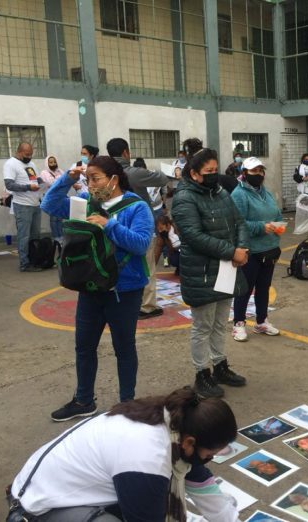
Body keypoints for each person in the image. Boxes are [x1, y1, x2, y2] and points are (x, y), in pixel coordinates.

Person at [8, 387, 240, 521]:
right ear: (190, 442)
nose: (208, 460)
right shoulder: (148, 458)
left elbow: (198, 478)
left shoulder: (176, 421)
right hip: (37, 510)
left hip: (56, 490)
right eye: (210, 454)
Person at [41, 156, 154, 421]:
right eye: (87, 179)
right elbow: (49, 204)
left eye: (96, 178)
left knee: (124, 347)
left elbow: (140, 244)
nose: (90, 185)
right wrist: (68, 179)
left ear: (114, 179)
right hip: (90, 286)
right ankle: (83, 400)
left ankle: (128, 403)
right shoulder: (86, 204)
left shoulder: (137, 208)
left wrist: (109, 224)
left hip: (124, 290)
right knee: (84, 346)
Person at [172, 147, 249, 399]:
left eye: (216, 170)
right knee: (202, 326)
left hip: (225, 268)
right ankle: (201, 374)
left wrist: (242, 247)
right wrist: (231, 251)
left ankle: (220, 366)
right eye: (209, 172)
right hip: (203, 271)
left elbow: (239, 222)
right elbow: (194, 236)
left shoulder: (221, 192)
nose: (214, 175)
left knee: (219, 323)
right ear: (194, 174)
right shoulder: (184, 198)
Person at [108, 138, 173, 320]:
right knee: (146, 266)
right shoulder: (134, 173)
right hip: (139, 226)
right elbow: (162, 178)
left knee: (121, 265)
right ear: (126, 153)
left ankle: (122, 300)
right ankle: (147, 307)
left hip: (114, 227)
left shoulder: (107, 173)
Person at [230, 156, 282, 342]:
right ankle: (238, 324)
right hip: (250, 251)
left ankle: (261, 322)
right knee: (245, 289)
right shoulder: (239, 194)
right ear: (244, 173)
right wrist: (261, 227)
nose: (258, 174)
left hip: (269, 248)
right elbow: (238, 223)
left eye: (261, 170)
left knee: (263, 288)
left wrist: (278, 224)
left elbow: (276, 212)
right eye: (254, 171)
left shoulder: (266, 193)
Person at [3, 142, 46, 272]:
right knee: (24, 236)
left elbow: (37, 180)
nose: (29, 157)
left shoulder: (31, 164)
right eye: (27, 154)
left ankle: (34, 260)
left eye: (31, 154)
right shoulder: (10, 164)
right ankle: (24, 263)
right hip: (22, 205)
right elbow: (9, 185)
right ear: (19, 152)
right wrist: (28, 187)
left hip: (35, 204)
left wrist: (45, 184)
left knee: (35, 236)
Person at [39, 155, 65, 243]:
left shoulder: (60, 171)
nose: (53, 163)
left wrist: (59, 180)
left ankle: (61, 236)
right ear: (47, 163)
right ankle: (56, 237)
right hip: (51, 199)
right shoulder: (44, 172)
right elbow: (51, 183)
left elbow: (65, 180)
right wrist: (59, 179)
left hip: (61, 197)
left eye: (54, 162)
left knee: (60, 218)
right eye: (50, 162)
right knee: (54, 218)